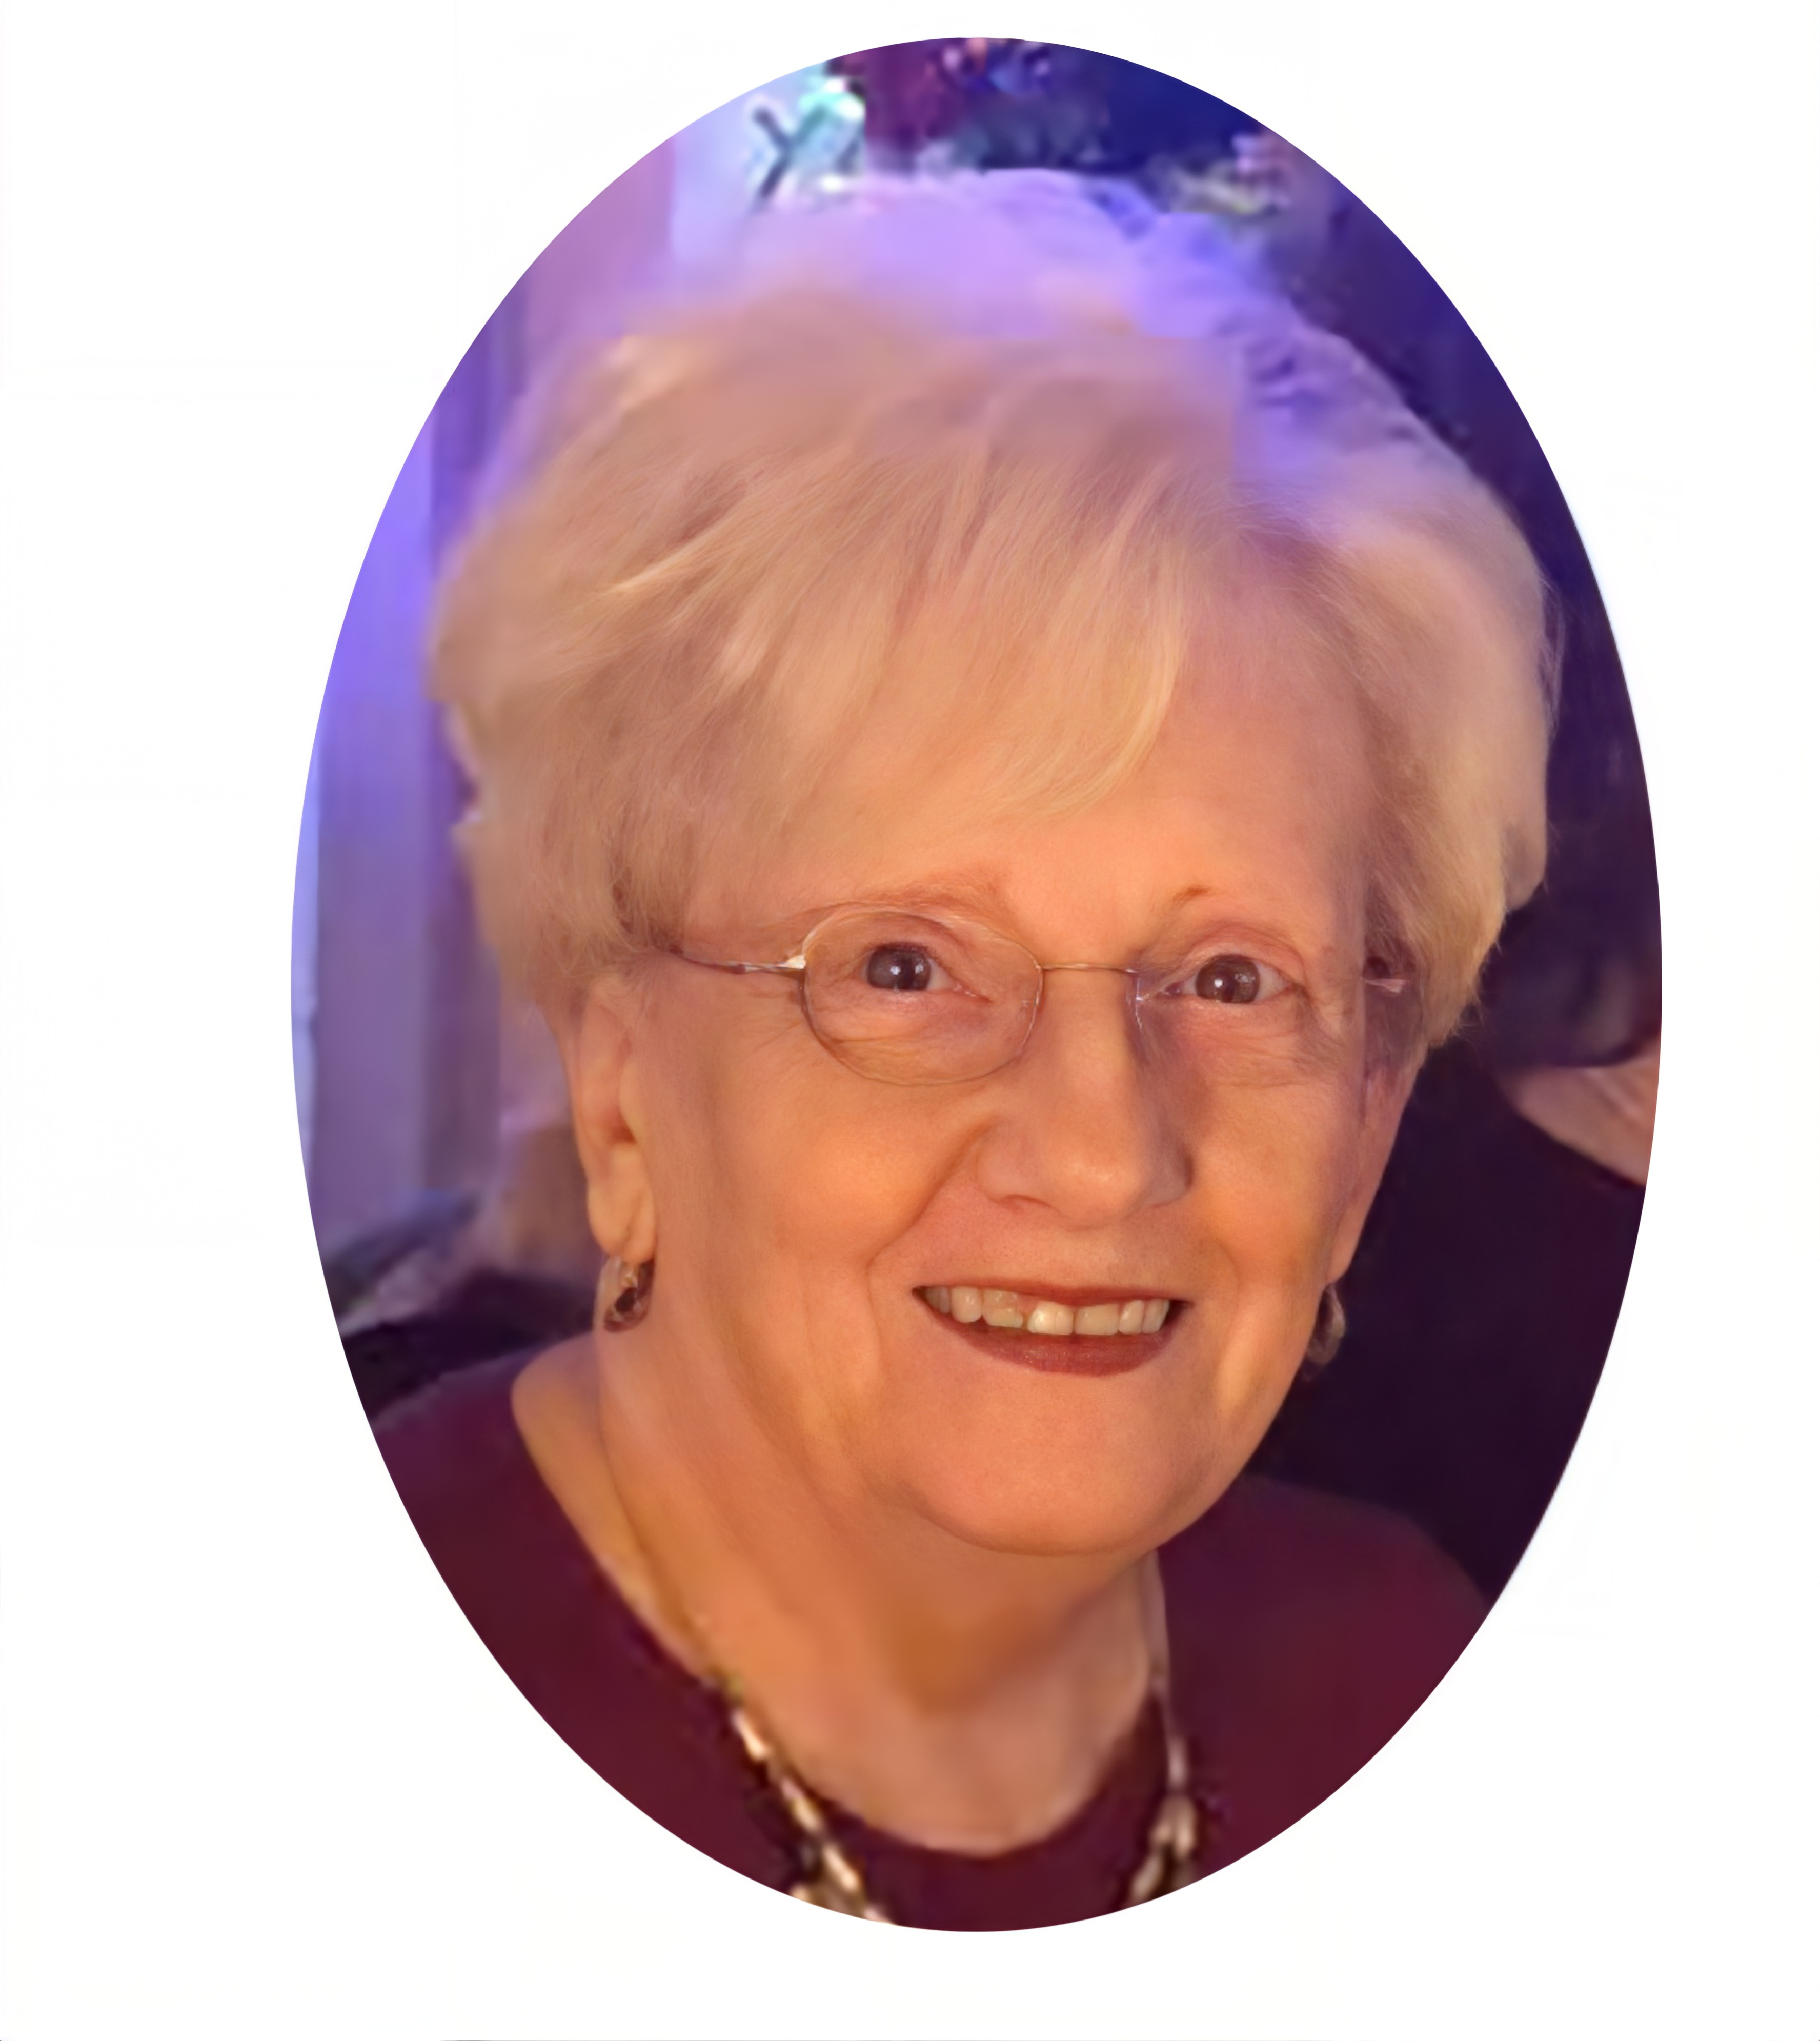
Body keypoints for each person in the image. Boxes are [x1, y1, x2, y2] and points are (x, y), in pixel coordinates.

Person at [379, 173, 1555, 1929]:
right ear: (621, 1087)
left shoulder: (1401, 1687)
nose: (1099, 1150)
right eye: (908, 966)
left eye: (1232, 979)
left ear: (1373, 1108)